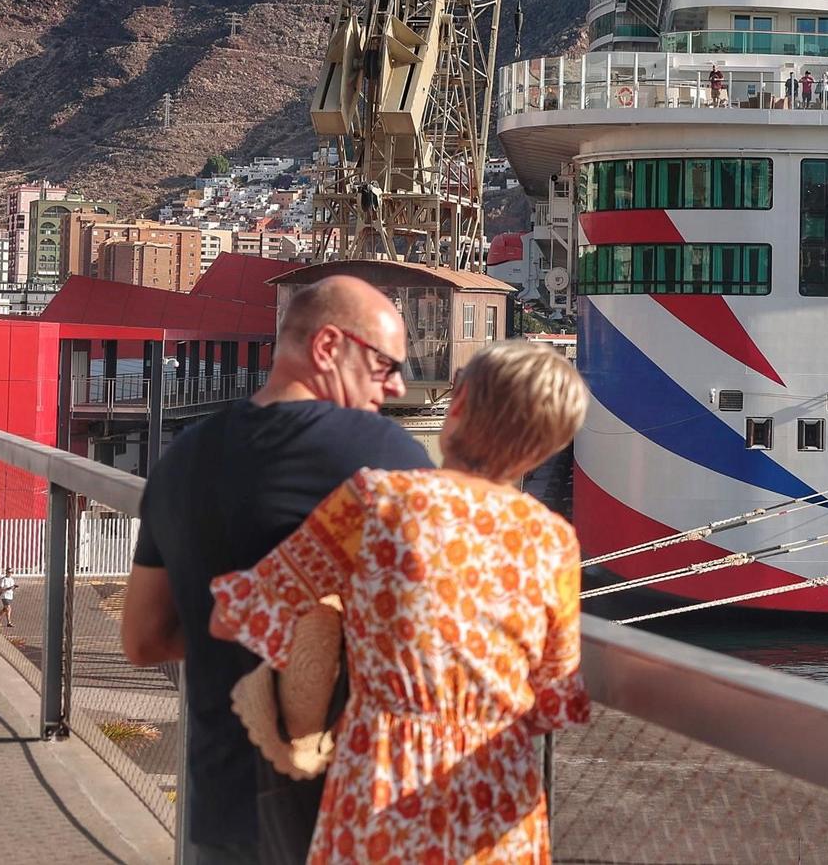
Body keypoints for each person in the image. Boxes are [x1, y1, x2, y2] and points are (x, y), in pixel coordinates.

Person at [210, 341, 590, 864]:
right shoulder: (553, 541)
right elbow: (555, 697)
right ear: (545, 449)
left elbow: (239, 613)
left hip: (384, 784)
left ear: (456, 406)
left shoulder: (375, 502)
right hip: (500, 798)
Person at [123, 276, 430, 865]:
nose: (396, 386)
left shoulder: (181, 460)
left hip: (220, 813)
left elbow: (143, 640)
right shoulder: (389, 460)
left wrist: (257, 642)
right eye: (385, 364)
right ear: (327, 348)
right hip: (350, 814)